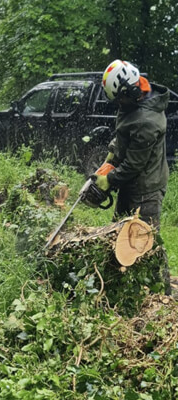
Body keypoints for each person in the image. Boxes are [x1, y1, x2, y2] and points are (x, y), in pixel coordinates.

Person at [84, 59, 171, 293]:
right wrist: (110, 157)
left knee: (147, 244)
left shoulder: (148, 121)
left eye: (120, 98)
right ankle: (119, 286)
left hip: (147, 189)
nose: (118, 104)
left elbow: (134, 164)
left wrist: (109, 180)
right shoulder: (132, 102)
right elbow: (123, 134)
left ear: (130, 91)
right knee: (118, 234)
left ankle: (164, 296)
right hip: (131, 184)